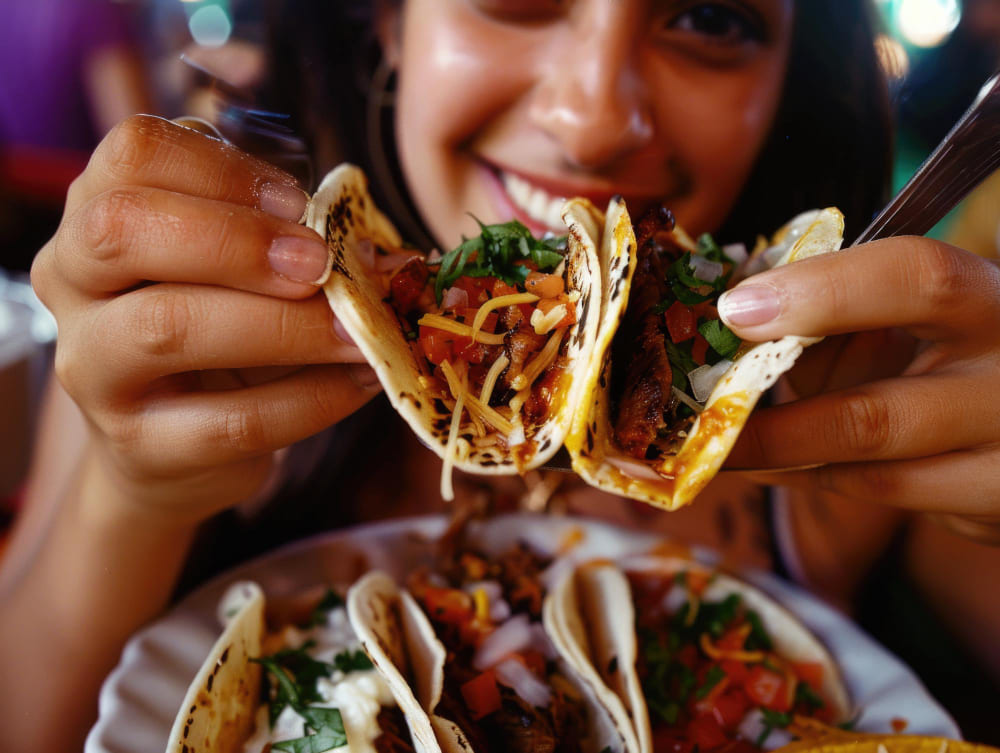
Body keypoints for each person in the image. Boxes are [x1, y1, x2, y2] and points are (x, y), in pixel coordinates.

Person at [2, 0, 999, 748]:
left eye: (708, 16)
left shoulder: (851, 402)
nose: (594, 116)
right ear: (386, 20)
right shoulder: (191, 329)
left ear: (792, 76)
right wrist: (129, 494)